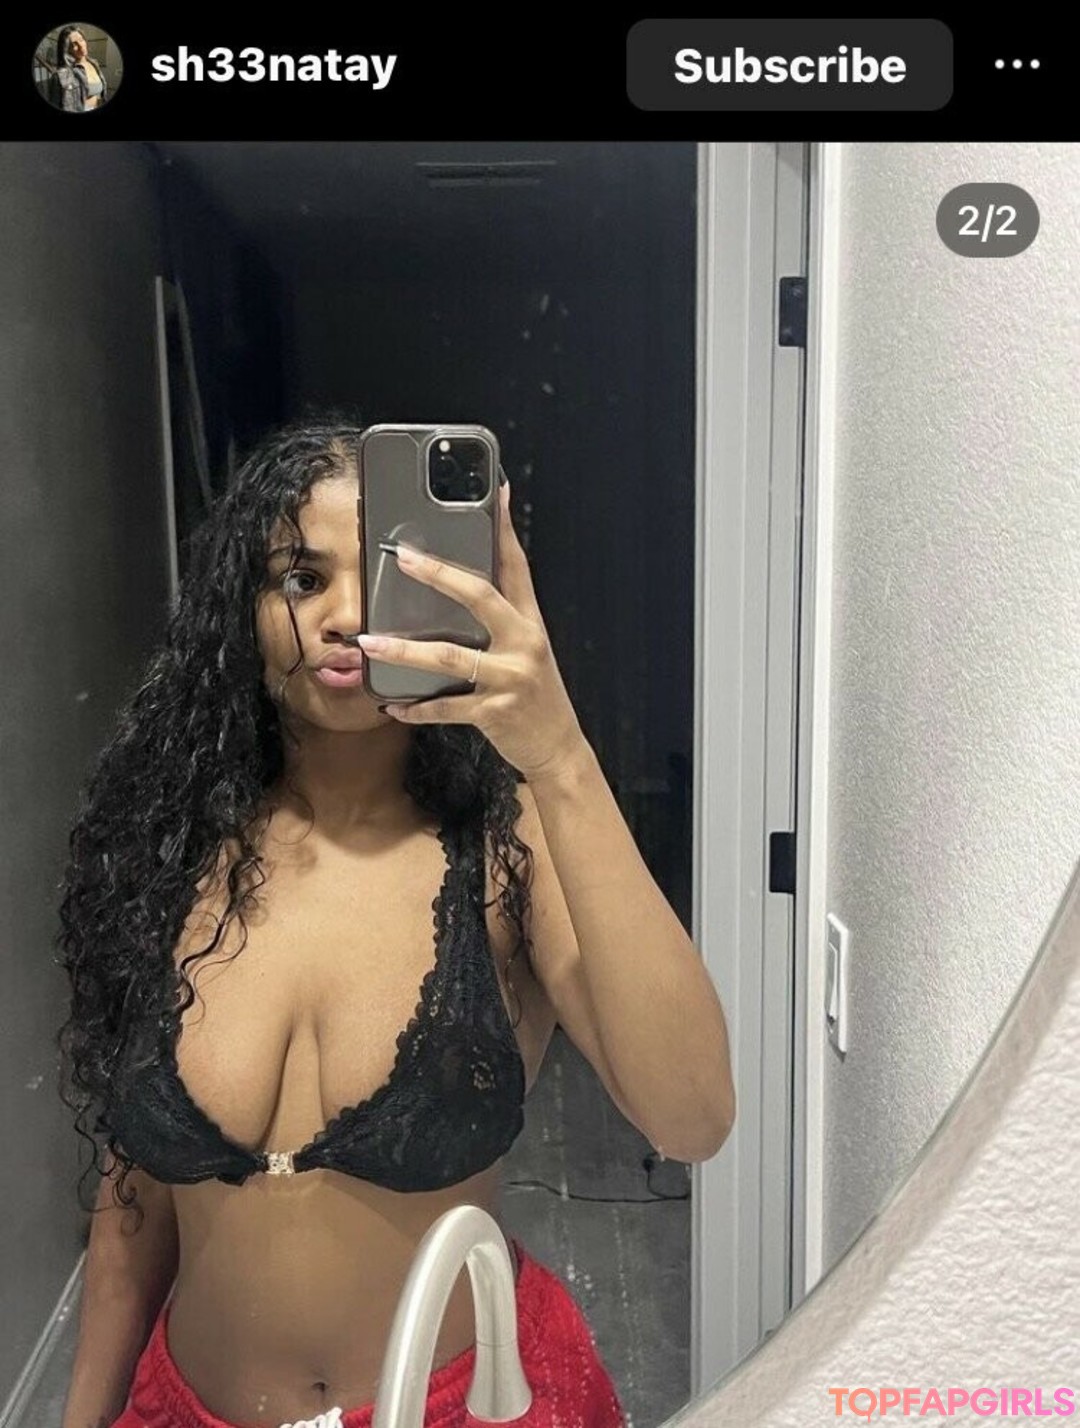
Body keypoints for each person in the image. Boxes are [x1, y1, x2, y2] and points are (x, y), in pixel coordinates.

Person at [56, 418, 736, 1428]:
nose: (345, 617)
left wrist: (558, 755)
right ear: (241, 608)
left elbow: (693, 1118)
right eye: (300, 577)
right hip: (181, 1408)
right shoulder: (165, 851)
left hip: (468, 1403)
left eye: (389, 577)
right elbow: (129, 1229)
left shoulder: (507, 846)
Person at [47, 26, 107, 112]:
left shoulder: (94, 63)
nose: (81, 46)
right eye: (74, 44)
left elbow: (100, 94)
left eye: (81, 40)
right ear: (66, 49)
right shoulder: (60, 76)